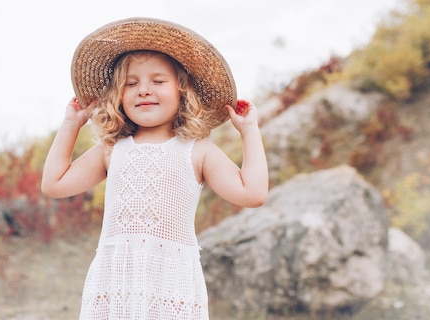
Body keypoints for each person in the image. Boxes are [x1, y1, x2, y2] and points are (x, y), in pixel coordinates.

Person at [41, 17, 269, 320]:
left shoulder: (197, 151)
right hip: (116, 284)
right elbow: (54, 183)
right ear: (119, 96)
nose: (144, 90)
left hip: (170, 287)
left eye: (158, 81)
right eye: (131, 83)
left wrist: (249, 131)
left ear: (182, 91)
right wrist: (71, 125)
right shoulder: (112, 150)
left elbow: (252, 193)